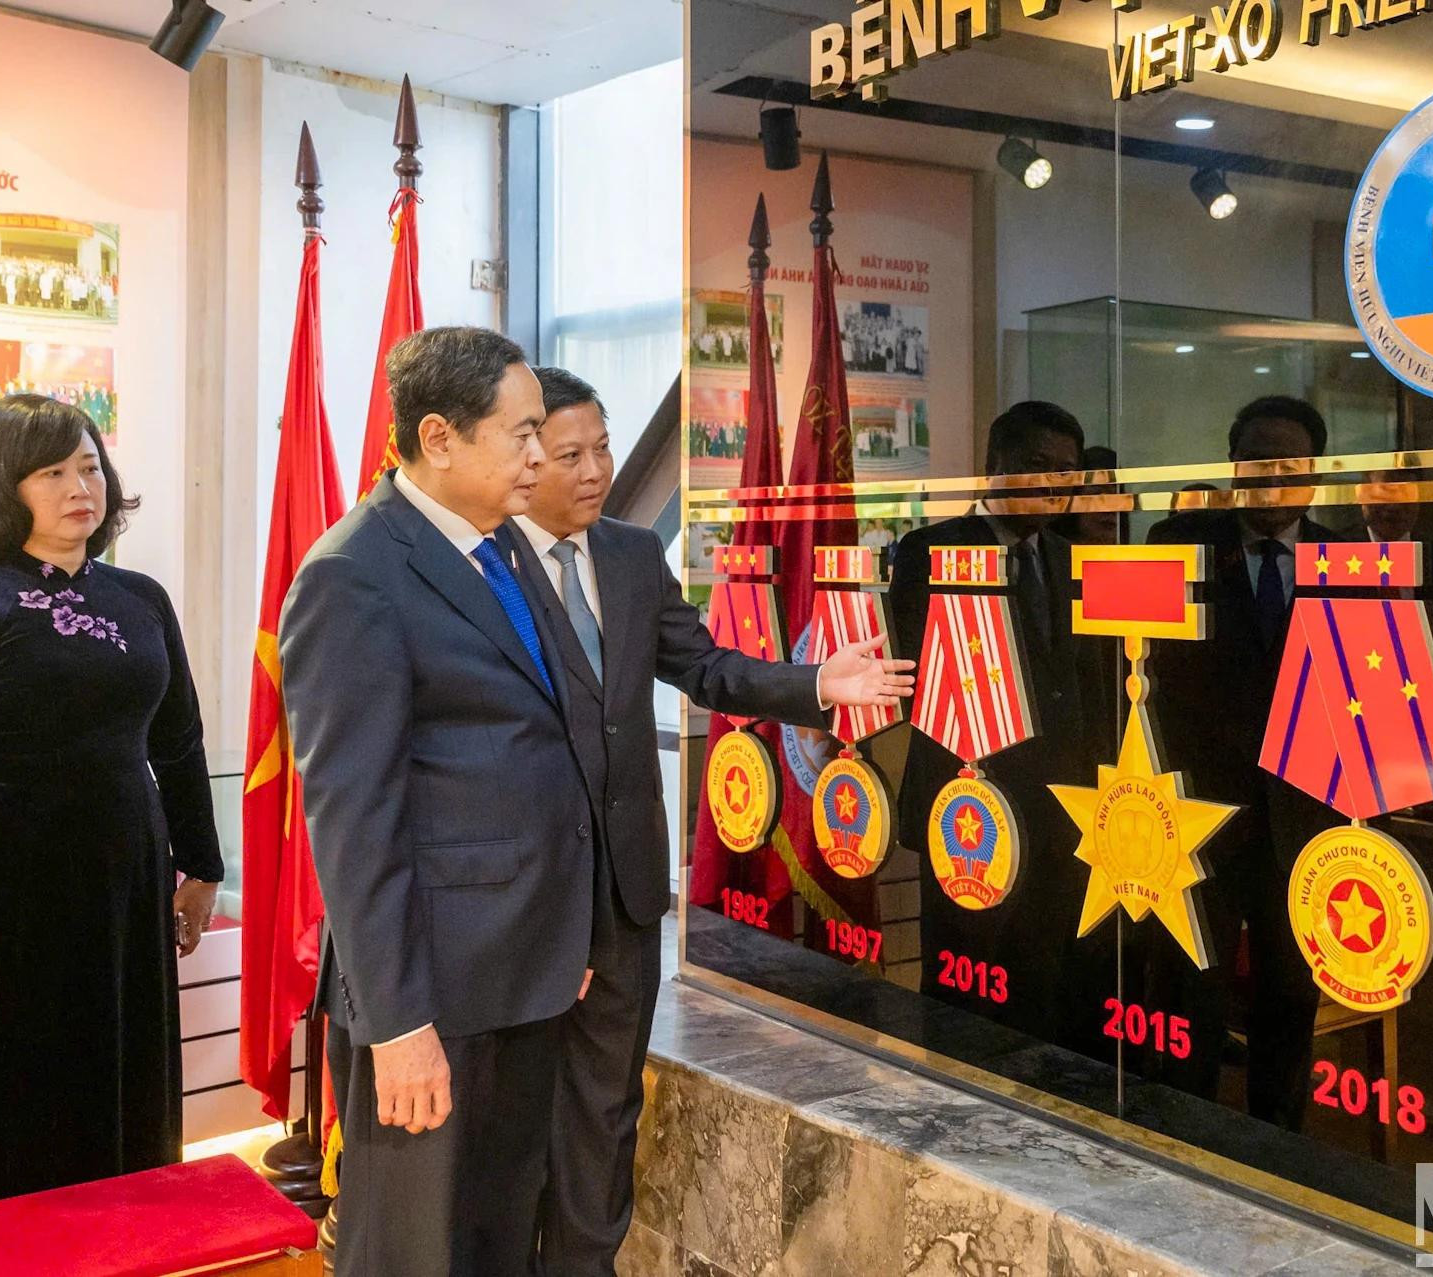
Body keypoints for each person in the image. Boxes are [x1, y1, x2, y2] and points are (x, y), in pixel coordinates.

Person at [280, 331, 908, 1276]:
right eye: (527, 435)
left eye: (565, 440)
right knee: (415, 1243)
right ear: (441, 437)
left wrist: (566, 933)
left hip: (529, 968)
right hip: (436, 988)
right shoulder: (353, 573)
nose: (546, 461)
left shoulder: (499, 552)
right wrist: (399, 1025)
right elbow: (355, 820)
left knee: (498, 1220)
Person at [514, 366, 911, 1273]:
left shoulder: (624, 553)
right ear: (524, 456)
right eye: (569, 453)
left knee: (606, 1117)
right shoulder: (483, 564)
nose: (595, 469)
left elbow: (708, 668)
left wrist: (815, 684)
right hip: (526, 900)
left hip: (621, 898)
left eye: (603, 447)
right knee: (517, 1122)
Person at [0, 395, 222, 1262]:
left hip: (125, 883)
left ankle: (122, 1252)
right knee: (20, 1100)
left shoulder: (142, 597)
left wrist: (201, 865)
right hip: (11, 892)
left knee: (120, 1085)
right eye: (52, 471)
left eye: (89, 465)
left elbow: (182, 740)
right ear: (5, 487)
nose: (80, 486)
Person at [891, 402, 1120, 1056]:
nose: (1054, 484)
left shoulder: (1074, 559)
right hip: (971, 812)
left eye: (1068, 472)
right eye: (1037, 467)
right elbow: (921, 679)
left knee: (1044, 988)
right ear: (995, 468)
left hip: (1062, 817)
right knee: (966, 996)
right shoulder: (929, 550)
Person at [1143, 395, 1340, 1129]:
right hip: (1198, 815)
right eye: (1258, 460)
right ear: (1233, 465)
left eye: (1291, 463)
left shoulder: (1347, 558)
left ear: (1316, 474)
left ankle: (1278, 1145)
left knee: (1290, 996)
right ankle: (1182, 1137)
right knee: (1190, 991)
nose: (1273, 476)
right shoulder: (1176, 542)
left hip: (1302, 816)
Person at [1349, 470, 1433, 735]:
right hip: (1355, 708)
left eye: (1405, 495)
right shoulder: (1332, 553)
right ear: (1361, 494)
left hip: (1429, 711)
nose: (1393, 507)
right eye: (1385, 493)